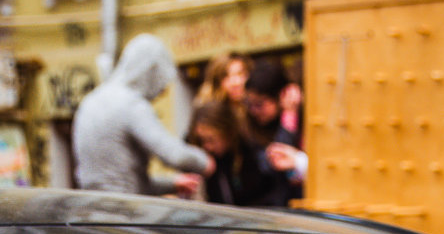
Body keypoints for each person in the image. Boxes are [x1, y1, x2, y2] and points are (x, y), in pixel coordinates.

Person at [72, 34, 213, 196]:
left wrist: (172, 184)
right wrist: (205, 162)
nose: (162, 92)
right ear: (151, 72)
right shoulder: (131, 104)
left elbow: (117, 180)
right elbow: (175, 156)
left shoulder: (90, 102)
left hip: (93, 208)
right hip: (124, 213)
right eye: (161, 81)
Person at [187, 99, 287, 207]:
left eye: (211, 139)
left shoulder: (251, 155)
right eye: (202, 140)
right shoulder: (207, 160)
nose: (207, 146)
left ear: (227, 132)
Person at [242, 59, 305, 204]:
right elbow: (275, 161)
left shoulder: (304, 120)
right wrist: (288, 120)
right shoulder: (251, 128)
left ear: (282, 96)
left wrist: (290, 115)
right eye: (249, 104)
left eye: (259, 104)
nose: (253, 111)